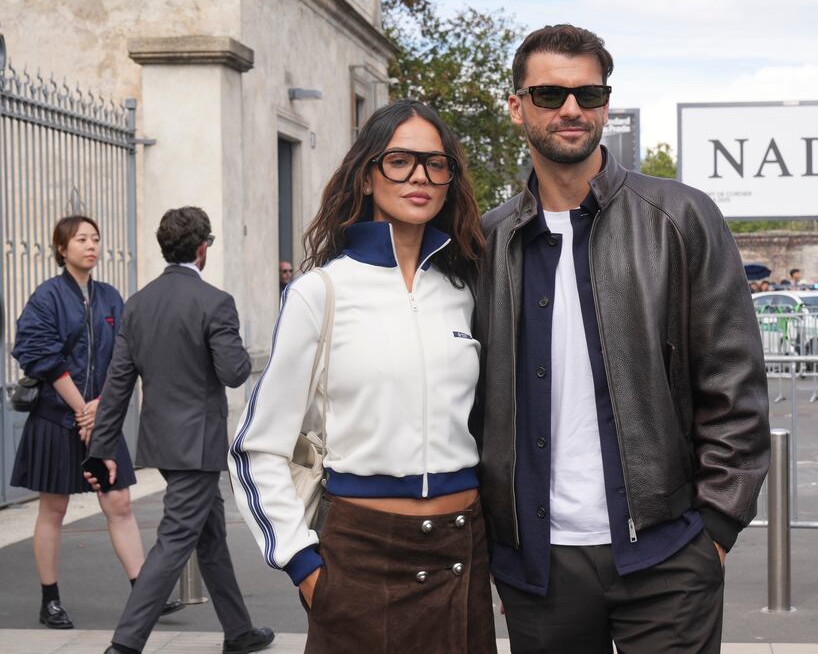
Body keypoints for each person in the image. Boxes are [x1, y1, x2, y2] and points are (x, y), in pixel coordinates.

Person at [473, 24, 770, 653]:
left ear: (607, 103)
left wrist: (714, 526)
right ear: (516, 105)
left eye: (589, 93)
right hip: (539, 568)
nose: (572, 109)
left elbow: (734, 382)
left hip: (667, 556)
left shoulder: (680, 218)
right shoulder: (487, 241)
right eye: (550, 94)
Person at [228, 100, 495, 654]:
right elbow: (257, 449)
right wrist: (303, 564)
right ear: (368, 175)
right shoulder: (320, 293)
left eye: (435, 162)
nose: (419, 175)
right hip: (360, 559)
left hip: (460, 556)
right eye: (400, 160)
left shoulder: (466, 289)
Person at [85, 207, 274, 654]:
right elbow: (233, 372)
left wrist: (101, 448)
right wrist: (239, 348)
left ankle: (239, 632)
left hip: (162, 443)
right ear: (203, 248)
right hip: (199, 444)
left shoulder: (138, 303)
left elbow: (117, 386)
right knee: (174, 542)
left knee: (210, 537)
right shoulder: (215, 302)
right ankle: (125, 644)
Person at [10, 215, 183, 630]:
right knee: (53, 507)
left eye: (96, 238)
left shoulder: (110, 297)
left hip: (99, 418)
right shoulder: (47, 296)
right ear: (61, 248)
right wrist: (81, 409)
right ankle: (49, 600)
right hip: (55, 417)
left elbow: (127, 356)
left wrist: (100, 408)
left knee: (119, 502)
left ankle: (144, 595)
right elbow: (39, 353)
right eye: (81, 239)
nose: (91, 245)